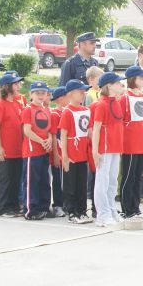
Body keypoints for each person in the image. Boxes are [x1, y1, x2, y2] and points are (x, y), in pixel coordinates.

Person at [91, 72, 126, 227]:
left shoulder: (116, 103)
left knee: (112, 182)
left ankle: (111, 209)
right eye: (118, 83)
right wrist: (95, 151)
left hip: (115, 148)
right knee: (102, 181)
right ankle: (102, 214)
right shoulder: (101, 104)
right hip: (104, 149)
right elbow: (96, 128)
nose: (121, 85)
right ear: (109, 85)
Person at [119, 66, 143, 224]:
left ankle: (136, 208)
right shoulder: (125, 98)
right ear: (132, 79)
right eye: (141, 78)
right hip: (130, 143)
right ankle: (127, 209)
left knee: (138, 177)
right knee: (129, 177)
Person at [59, 80, 93, 224]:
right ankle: (72, 211)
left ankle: (82, 210)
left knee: (81, 184)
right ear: (71, 94)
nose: (83, 94)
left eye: (84, 92)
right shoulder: (67, 112)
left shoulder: (86, 110)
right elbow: (63, 135)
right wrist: (65, 156)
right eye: (80, 92)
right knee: (70, 184)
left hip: (83, 154)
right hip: (72, 154)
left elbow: (89, 132)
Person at [0, 72, 24, 217]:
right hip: (5, 148)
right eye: (15, 83)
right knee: (5, 178)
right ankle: (3, 207)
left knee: (16, 178)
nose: (18, 86)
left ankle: (14, 205)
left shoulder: (17, 103)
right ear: (7, 87)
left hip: (17, 148)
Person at [21, 81, 54, 220]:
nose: (41, 96)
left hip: (44, 150)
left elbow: (49, 130)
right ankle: (31, 209)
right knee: (31, 181)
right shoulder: (28, 109)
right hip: (32, 151)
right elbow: (27, 131)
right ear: (31, 94)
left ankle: (44, 206)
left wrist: (49, 141)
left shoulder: (47, 110)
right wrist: (41, 141)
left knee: (44, 180)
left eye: (43, 93)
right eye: (37, 93)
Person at [49, 86, 69, 217]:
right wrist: (56, 155)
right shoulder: (55, 114)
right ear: (61, 99)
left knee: (66, 181)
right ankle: (58, 205)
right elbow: (54, 136)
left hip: (67, 153)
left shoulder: (66, 112)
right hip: (59, 153)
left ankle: (66, 203)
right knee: (58, 180)